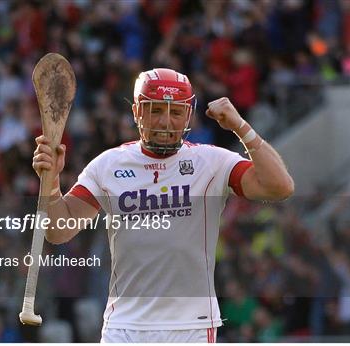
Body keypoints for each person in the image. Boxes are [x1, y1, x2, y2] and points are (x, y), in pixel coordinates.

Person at [32, 68, 294, 342]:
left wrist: (242, 128)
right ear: (136, 112)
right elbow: (58, 231)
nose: (165, 122)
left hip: (190, 327)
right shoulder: (108, 165)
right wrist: (51, 182)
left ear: (188, 116)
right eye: (155, 110)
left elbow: (280, 187)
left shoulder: (213, 162)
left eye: (176, 112)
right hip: (124, 326)